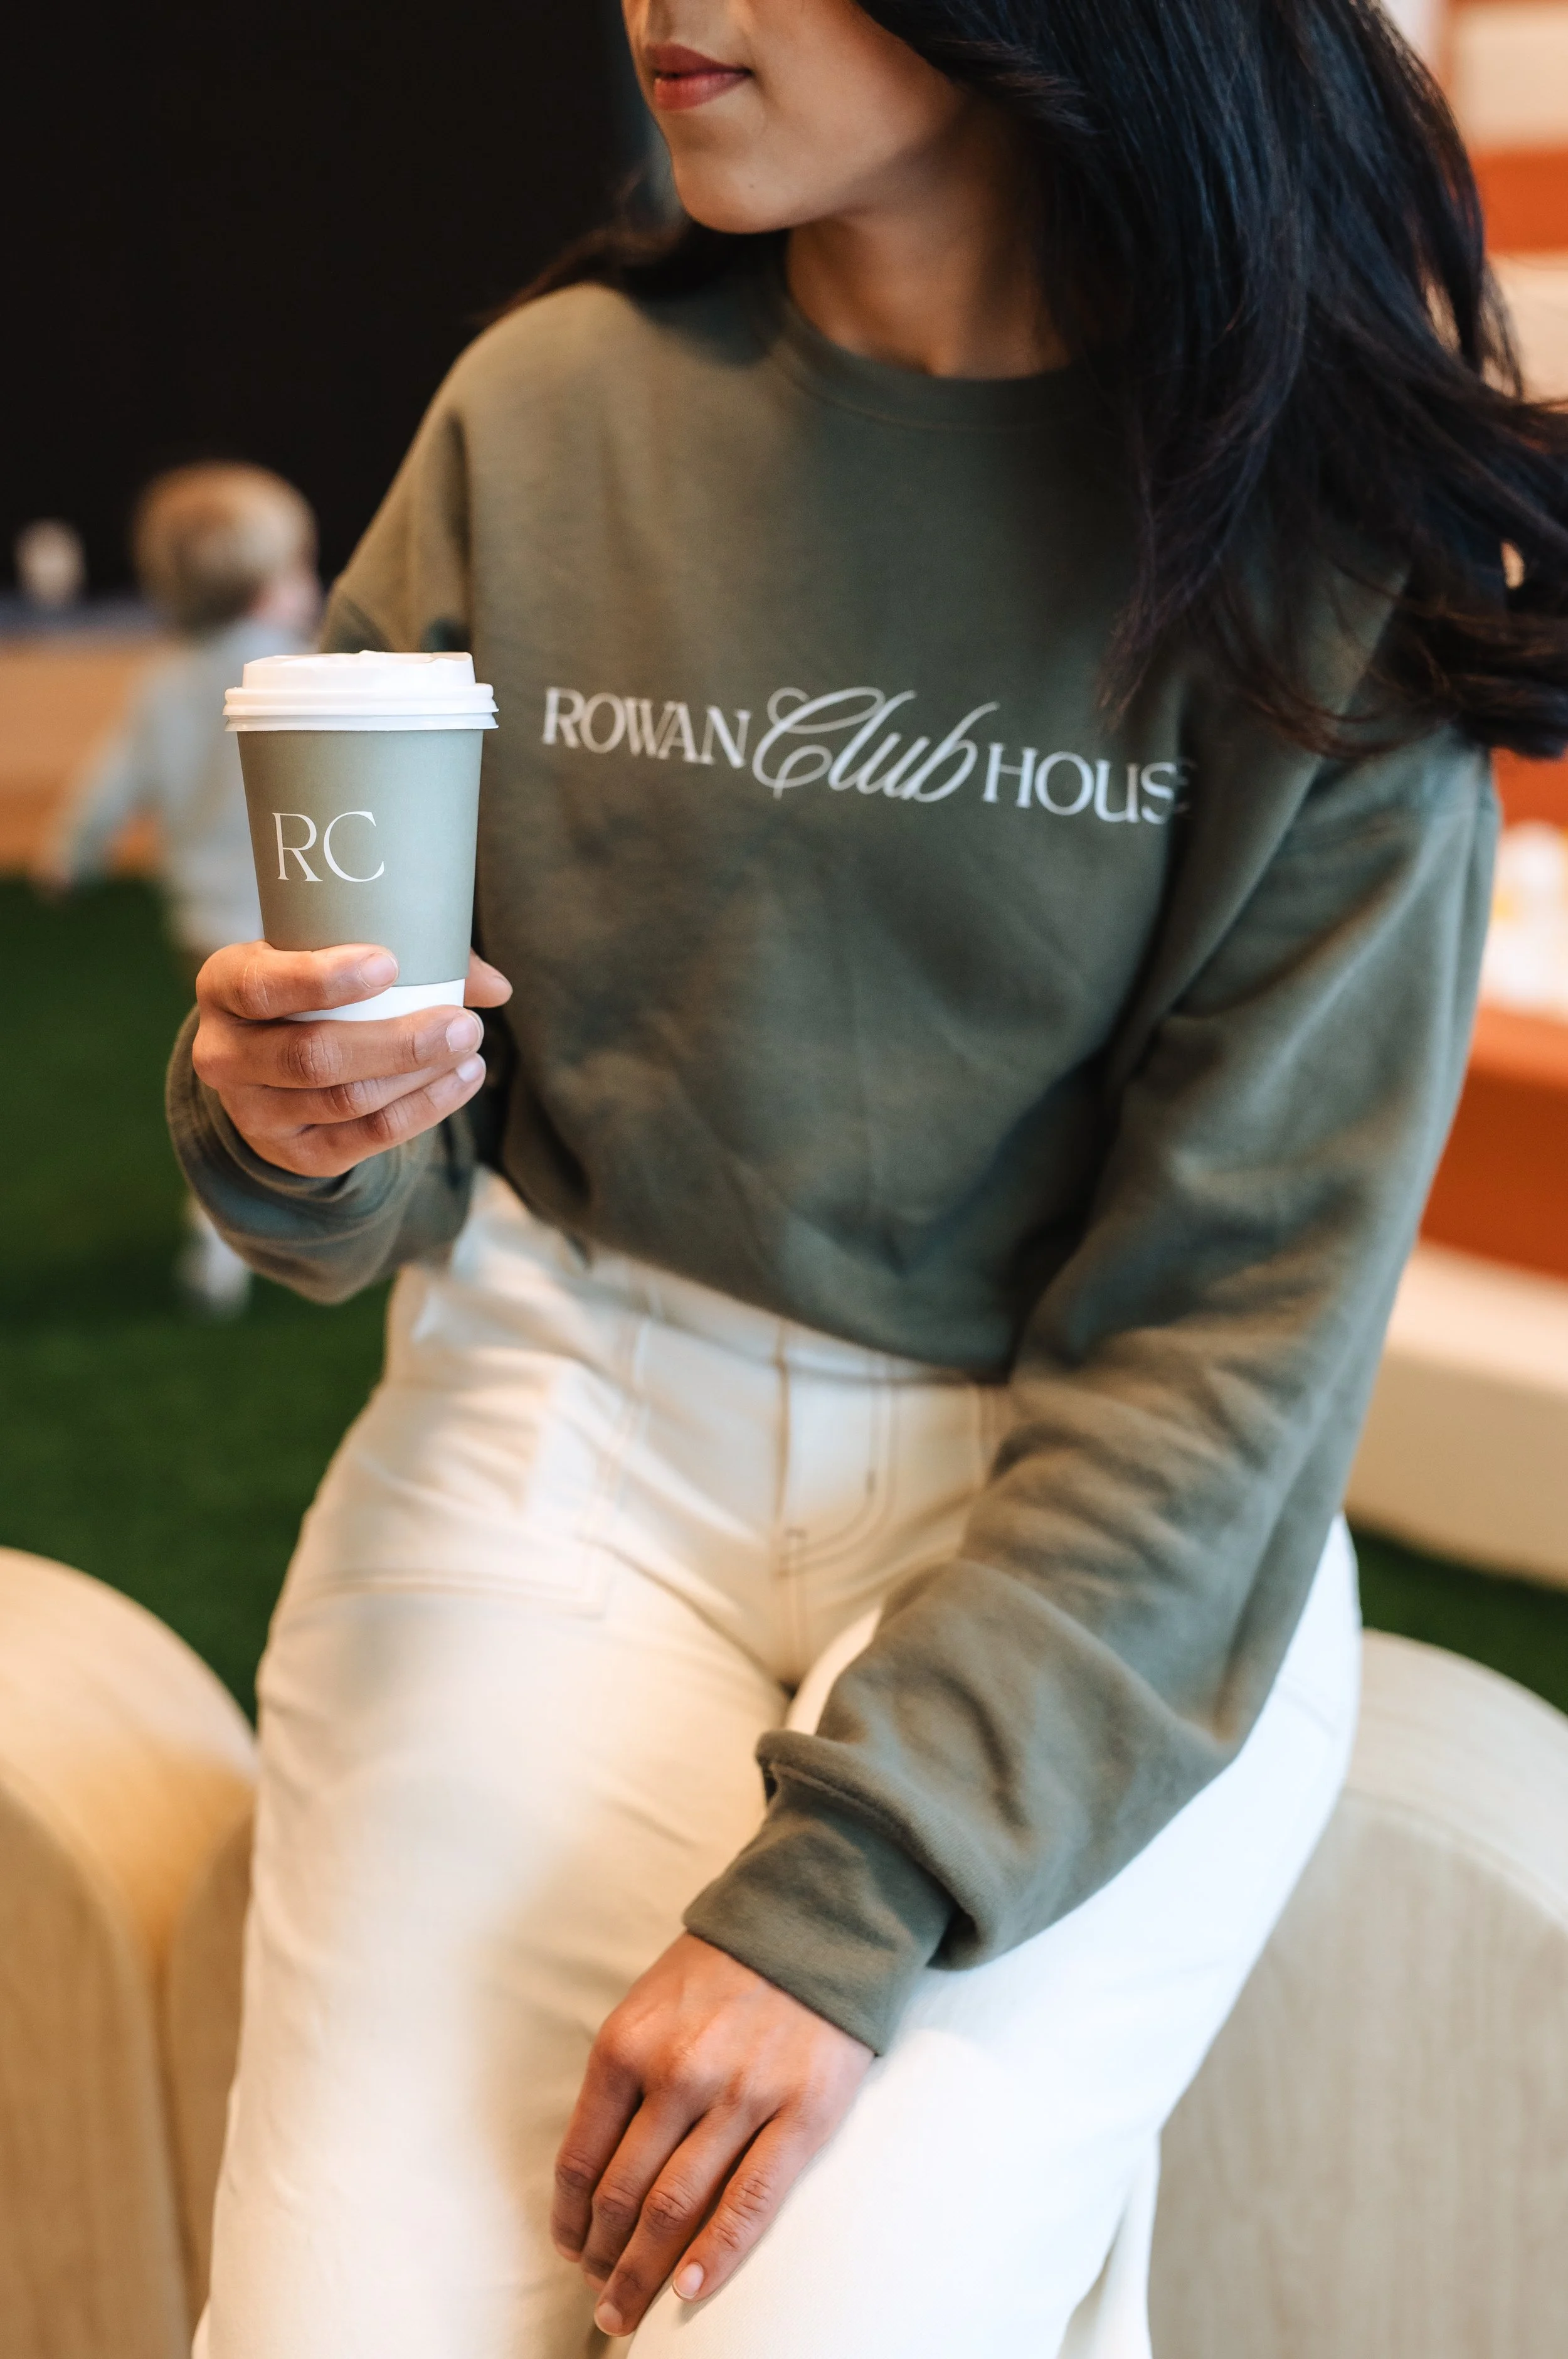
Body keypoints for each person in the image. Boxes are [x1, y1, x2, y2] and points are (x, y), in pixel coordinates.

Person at [167, 4, 1568, 2353]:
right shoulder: (546, 416)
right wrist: (290, 1129)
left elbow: (1228, 1357)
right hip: (564, 1436)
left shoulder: (1320, 554)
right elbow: (385, 1151)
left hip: (1090, 1534)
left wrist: (855, 1885)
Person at [40, 462, 319, 1312]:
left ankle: (219, 1233)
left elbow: (110, 782)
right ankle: (319, 1218)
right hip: (305, 922)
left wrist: (68, 854)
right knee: (317, 1074)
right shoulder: (308, 674)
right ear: (273, 590)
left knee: (233, 1078)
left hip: (206, 930)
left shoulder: (162, 682)